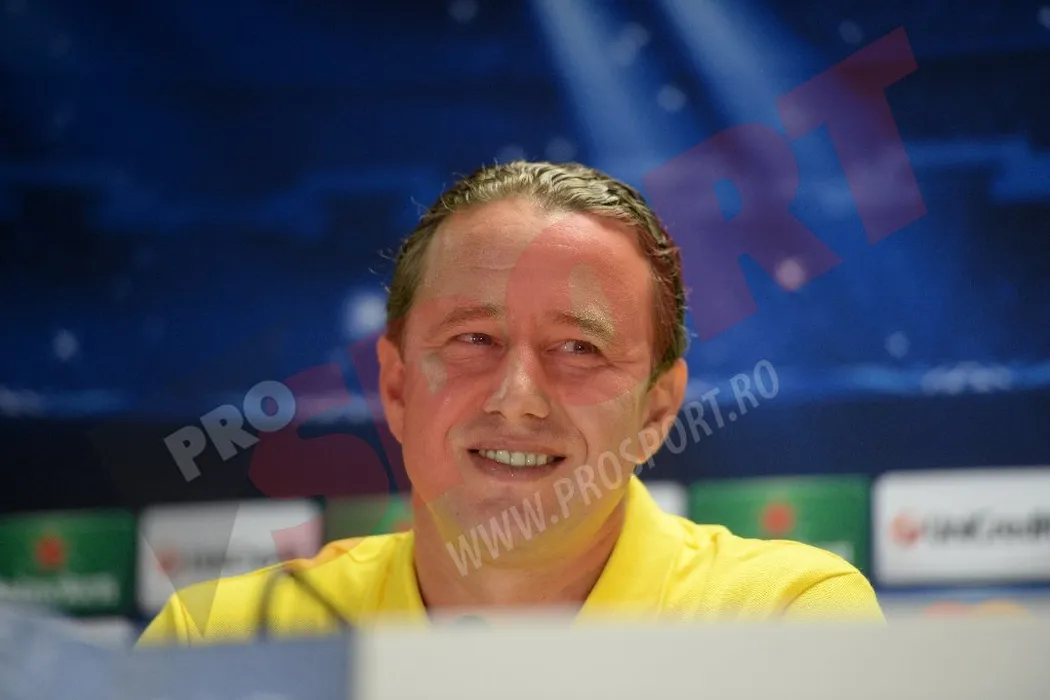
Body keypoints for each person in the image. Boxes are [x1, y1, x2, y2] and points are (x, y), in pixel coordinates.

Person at [139, 161, 883, 645]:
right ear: (396, 388)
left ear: (657, 413)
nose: (518, 398)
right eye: (473, 339)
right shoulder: (216, 643)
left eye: (579, 348)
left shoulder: (788, 619)